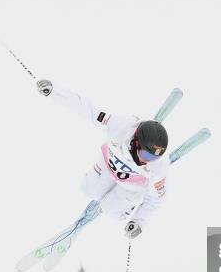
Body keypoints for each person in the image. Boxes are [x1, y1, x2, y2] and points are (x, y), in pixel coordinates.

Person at [37, 79, 169, 240]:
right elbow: (88, 109)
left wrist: (139, 222)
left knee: (112, 211)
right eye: (146, 155)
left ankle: (112, 208)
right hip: (107, 168)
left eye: (152, 157)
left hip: (129, 189)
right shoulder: (121, 126)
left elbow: (155, 200)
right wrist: (54, 91)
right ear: (135, 141)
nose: (146, 160)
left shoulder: (158, 167)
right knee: (87, 189)